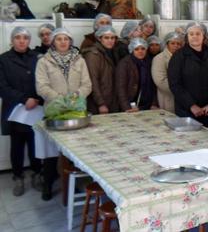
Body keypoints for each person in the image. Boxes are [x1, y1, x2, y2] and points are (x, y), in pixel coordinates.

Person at [35, 28, 92, 200]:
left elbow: (87, 84)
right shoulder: (44, 62)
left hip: (77, 110)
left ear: (70, 41)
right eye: (59, 39)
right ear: (53, 42)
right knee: (52, 151)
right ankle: (48, 184)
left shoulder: (79, 60)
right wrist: (60, 99)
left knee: (77, 150)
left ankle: (74, 184)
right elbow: (41, 86)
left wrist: (75, 97)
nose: (62, 42)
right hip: (55, 111)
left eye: (66, 39)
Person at [0, 27, 44, 197]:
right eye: (17, 37)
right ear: (12, 40)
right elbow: (2, 87)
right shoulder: (3, 59)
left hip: (36, 108)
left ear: (29, 40)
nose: (21, 40)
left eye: (25, 37)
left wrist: (38, 99)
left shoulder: (37, 58)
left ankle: (36, 174)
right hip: (15, 110)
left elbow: (43, 81)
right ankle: (18, 176)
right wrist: (23, 99)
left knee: (35, 143)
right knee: (17, 145)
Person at [168, 22, 208, 125]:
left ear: (204, 36)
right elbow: (175, 84)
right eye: (191, 34)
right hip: (186, 110)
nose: (195, 37)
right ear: (187, 36)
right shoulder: (178, 57)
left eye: (198, 34)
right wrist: (191, 105)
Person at [83, 26, 119, 115]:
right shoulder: (93, 55)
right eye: (106, 38)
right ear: (99, 39)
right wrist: (101, 103)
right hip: (99, 104)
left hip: (111, 99)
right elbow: (93, 80)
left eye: (112, 38)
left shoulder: (112, 52)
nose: (110, 40)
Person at [116, 38, 158, 111]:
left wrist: (154, 103)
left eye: (143, 49)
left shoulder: (150, 62)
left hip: (148, 104)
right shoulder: (124, 64)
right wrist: (127, 107)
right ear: (132, 50)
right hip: (131, 103)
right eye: (136, 49)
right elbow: (121, 88)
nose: (140, 51)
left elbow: (153, 85)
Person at [151, 32, 183, 114]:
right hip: (168, 97)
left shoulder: (183, 57)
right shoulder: (159, 59)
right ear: (167, 44)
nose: (176, 46)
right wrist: (180, 91)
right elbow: (160, 81)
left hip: (183, 99)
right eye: (172, 43)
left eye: (178, 44)